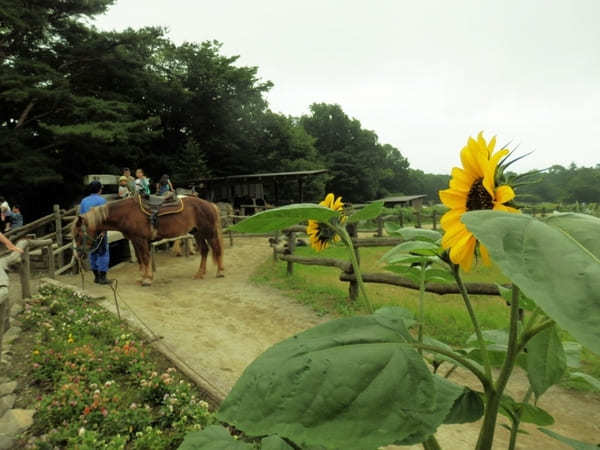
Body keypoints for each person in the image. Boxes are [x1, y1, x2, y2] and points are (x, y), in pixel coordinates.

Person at [80, 181, 111, 285]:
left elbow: (82, 217)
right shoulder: (102, 200)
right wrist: (103, 230)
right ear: (99, 189)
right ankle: (102, 277)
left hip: (89, 231)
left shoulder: (84, 201)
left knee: (93, 252)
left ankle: (96, 277)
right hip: (99, 230)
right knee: (103, 252)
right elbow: (105, 217)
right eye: (101, 189)